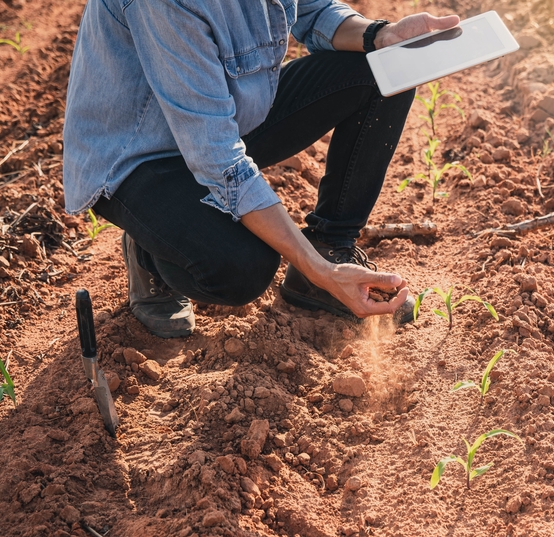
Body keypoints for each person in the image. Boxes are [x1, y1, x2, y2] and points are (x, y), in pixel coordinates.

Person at [62, 0, 459, 338]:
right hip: (140, 155)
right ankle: (152, 244)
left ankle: (330, 243)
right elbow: (217, 156)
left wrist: (380, 35)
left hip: (226, 115)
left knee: (389, 69)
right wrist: (321, 271)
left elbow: (312, 10)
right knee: (242, 269)